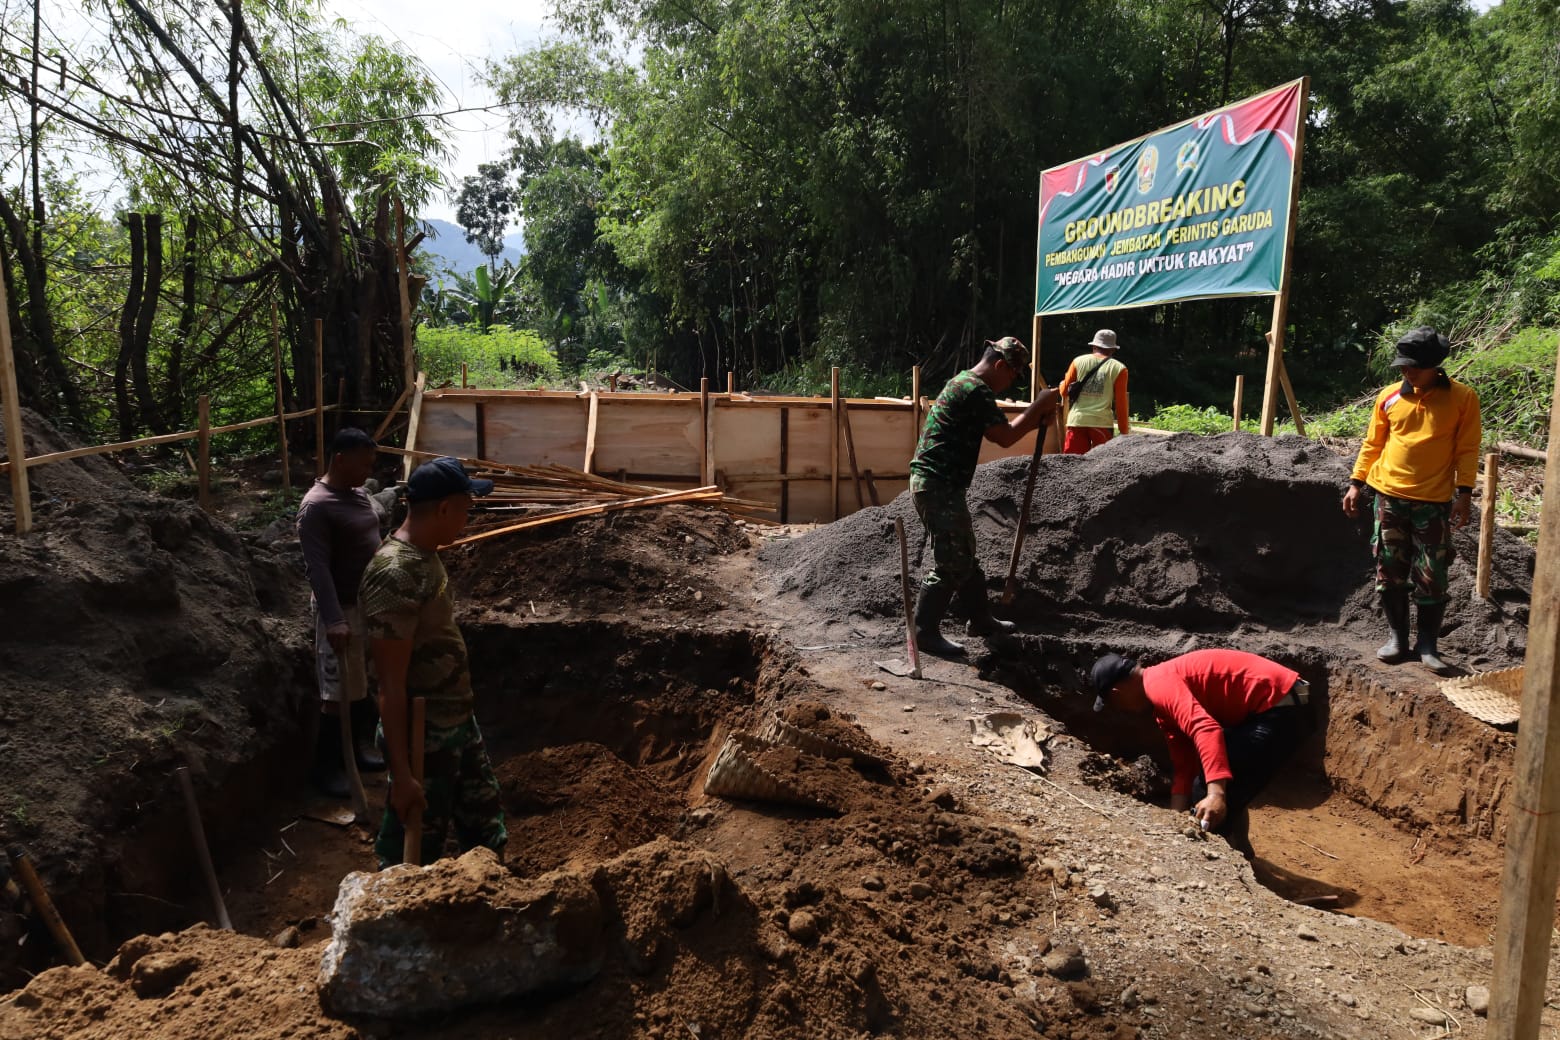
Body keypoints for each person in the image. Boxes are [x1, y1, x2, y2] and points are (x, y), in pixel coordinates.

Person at [359, 456, 507, 868]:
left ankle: (486, 894)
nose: (467, 519)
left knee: (484, 823)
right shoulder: (394, 574)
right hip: (425, 735)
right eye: (466, 508)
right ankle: (395, 916)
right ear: (444, 508)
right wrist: (403, 775)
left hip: (455, 720)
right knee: (413, 840)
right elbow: (389, 685)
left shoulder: (425, 557)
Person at [908, 337, 1061, 656]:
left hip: (939, 483)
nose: (1009, 384)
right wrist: (1039, 406)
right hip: (937, 484)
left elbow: (1002, 433)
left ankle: (980, 620)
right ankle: (923, 632)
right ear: (1000, 365)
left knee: (964, 553)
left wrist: (1037, 416)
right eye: (1011, 376)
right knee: (952, 560)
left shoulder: (963, 382)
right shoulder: (975, 390)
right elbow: (1004, 437)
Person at [1342, 326, 1481, 674]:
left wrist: (1464, 494)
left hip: (1433, 502)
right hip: (1388, 497)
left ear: (1435, 366)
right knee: (1389, 569)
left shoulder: (1463, 399)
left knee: (1432, 573)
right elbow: (1372, 443)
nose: (1406, 372)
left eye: (1414, 366)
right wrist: (1356, 483)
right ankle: (1397, 639)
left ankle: (1428, 645)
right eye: (1403, 366)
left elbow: (1467, 449)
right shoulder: (1389, 397)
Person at [1090, 648, 1313, 858]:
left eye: (1112, 703)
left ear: (1116, 693)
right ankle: (1240, 853)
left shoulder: (1158, 684)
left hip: (1280, 704)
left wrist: (1216, 795)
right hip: (1280, 703)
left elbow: (1206, 729)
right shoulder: (1161, 703)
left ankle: (1219, 866)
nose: (1119, 709)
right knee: (1221, 774)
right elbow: (1184, 766)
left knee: (1207, 791)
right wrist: (1176, 820)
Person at [296, 427, 386, 797]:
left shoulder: (358, 494)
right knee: (336, 693)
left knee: (360, 684)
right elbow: (316, 568)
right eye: (363, 463)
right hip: (341, 608)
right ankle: (326, 768)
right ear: (340, 459)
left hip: (366, 605)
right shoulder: (317, 506)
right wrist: (334, 619)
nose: (368, 470)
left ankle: (359, 752)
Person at [1056, 329, 1130, 454]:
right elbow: (1121, 404)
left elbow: (1064, 392)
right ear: (1113, 349)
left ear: (1094, 346)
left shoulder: (1077, 361)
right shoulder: (1119, 368)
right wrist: (1124, 433)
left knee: (1072, 464)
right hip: (1102, 423)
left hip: (1078, 421)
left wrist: (1062, 385)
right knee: (1100, 465)